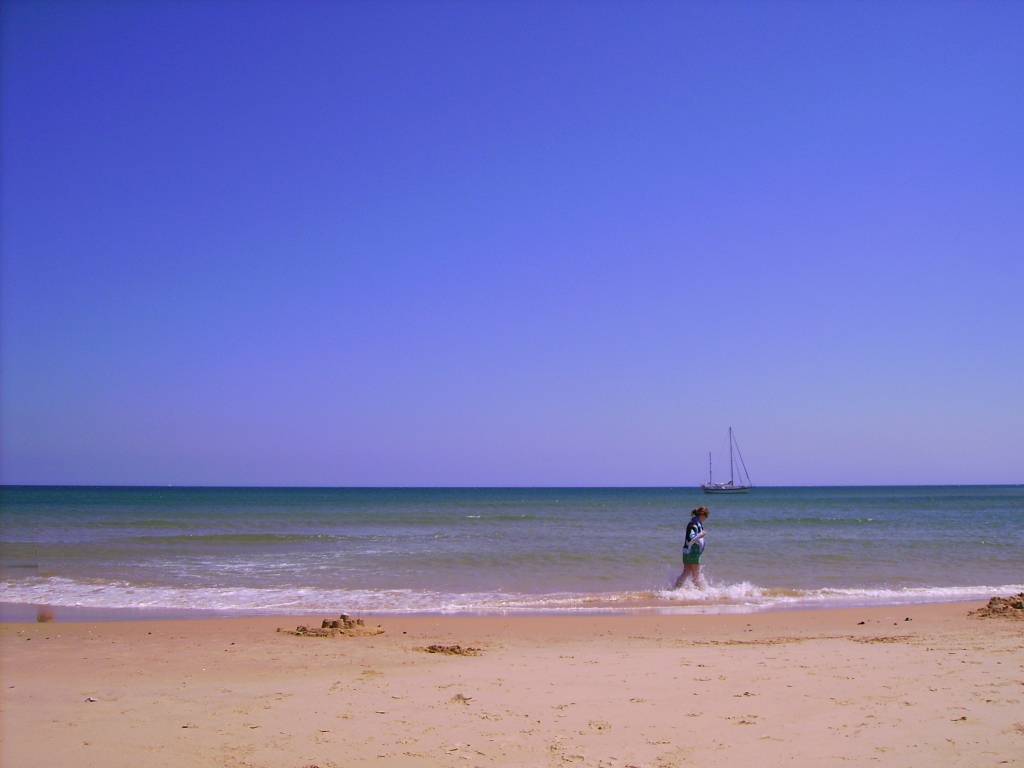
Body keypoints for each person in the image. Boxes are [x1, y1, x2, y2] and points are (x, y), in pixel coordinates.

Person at [673, 506, 709, 589]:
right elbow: (691, 538)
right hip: (693, 552)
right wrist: (701, 535)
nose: (705, 519)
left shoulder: (694, 523)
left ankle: (675, 589)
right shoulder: (694, 524)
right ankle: (702, 592)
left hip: (687, 551)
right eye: (706, 517)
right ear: (702, 515)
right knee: (696, 574)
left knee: (686, 572)